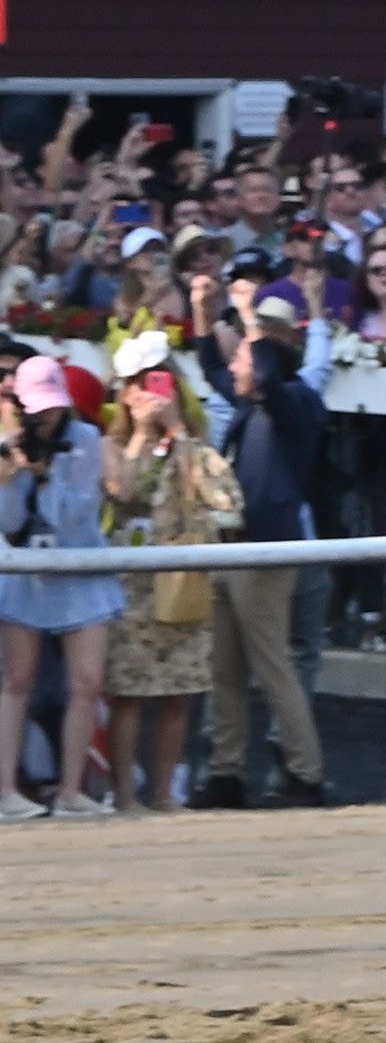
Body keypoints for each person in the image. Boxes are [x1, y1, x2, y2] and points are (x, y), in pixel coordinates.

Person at [97, 330, 236, 813]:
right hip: (133, 580)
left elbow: (222, 496)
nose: (150, 392)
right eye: (139, 383)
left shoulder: (193, 444)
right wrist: (141, 435)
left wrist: (177, 434)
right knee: (129, 694)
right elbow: (123, 491)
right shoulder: (110, 444)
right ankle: (124, 794)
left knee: (179, 694)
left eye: (158, 380)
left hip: (183, 577)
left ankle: (163, 793)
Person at [204, 292, 329, 808]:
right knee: (224, 669)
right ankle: (225, 772)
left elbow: (270, 381)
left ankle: (305, 774)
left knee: (271, 663)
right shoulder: (250, 406)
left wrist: (249, 320)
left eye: (243, 358)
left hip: (266, 552)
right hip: (228, 548)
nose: (233, 366)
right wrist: (202, 308)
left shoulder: (296, 402)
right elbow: (211, 366)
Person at [0, 355, 123, 819]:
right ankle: (5, 791)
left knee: (86, 682)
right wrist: (10, 475)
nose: (45, 416)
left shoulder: (87, 439)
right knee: (16, 681)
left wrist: (45, 476)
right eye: (37, 408)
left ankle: (72, 791)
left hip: (79, 569)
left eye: (52, 406)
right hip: (27, 574)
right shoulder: (9, 442)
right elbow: (9, 523)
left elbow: (76, 515)